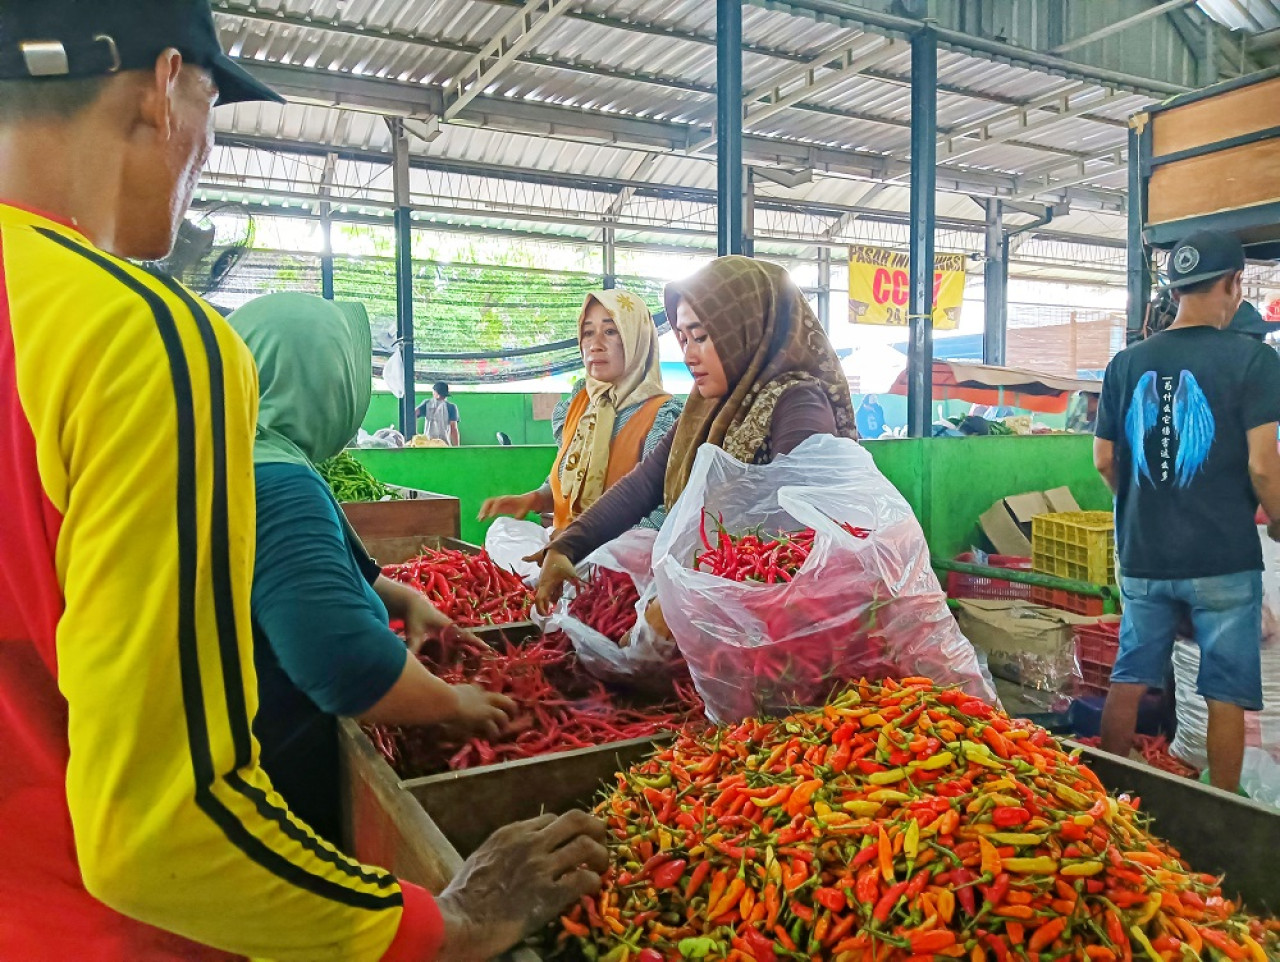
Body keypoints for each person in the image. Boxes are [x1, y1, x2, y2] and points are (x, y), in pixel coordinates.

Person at [0, 4, 604, 961]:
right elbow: (162, 833)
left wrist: (365, 585)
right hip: (114, 933)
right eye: (212, 109)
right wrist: (445, 922)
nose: (207, 151)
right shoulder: (140, 336)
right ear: (164, 89)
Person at [229, 293, 516, 845]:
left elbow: (322, 572)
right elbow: (347, 665)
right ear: (319, 379)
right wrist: (456, 704)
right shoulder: (279, 486)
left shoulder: (242, 454)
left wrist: (408, 601)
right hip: (271, 782)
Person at [534, 256, 857, 611]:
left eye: (701, 337)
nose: (689, 355)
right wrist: (567, 546)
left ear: (746, 330)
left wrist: (693, 596)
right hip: (715, 601)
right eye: (683, 338)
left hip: (776, 615)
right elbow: (644, 484)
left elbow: (795, 532)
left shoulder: (798, 402)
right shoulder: (704, 408)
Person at [1094, 229, 1280, 793]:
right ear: (1232, 283)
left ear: (1175, 290)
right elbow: (1263, 467)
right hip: (1222, 556)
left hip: (1146, 555)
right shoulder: (1255, 360)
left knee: (1129, 677)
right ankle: (1222, 809)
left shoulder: (1126, 363)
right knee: (1226, 692)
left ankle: (1111, 800)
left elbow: (1104, 459)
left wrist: (1143, 504)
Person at [478, 289, 682, 531]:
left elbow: (665, 513)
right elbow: (568, 480)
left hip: (621, 550)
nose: (595, 345)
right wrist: (534, 499)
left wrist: (586, 545)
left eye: (610, 331)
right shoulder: (578, 405)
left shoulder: (661, 416)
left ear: (637, 338)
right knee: (502, 531)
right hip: (564, 544)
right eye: (587, 333)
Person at [416, 381, 459, 446]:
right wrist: (456, 447)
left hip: (428, 443)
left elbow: (413, 414)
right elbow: (454, 429)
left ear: (435, 392)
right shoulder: (451, 407)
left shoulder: (427, 404)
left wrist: (415, 434)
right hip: (444, 444)